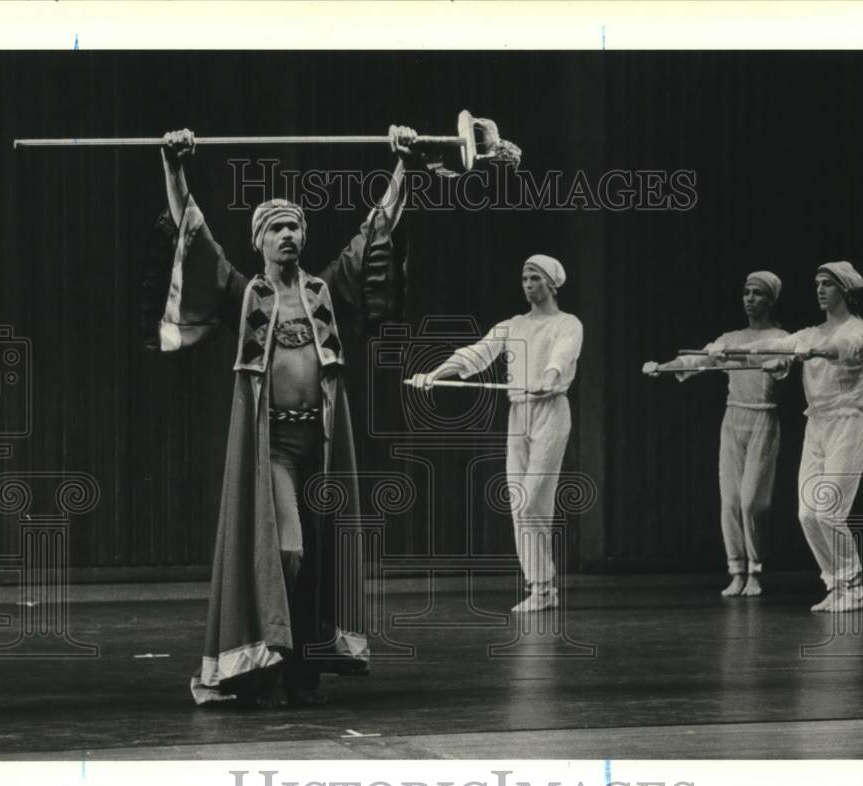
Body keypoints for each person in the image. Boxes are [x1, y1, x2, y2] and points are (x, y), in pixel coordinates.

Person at [151, 125, 422, 707]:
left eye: (296, 225)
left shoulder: (324, 292)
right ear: (259, 240)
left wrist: (402, 165)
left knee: (322, 554)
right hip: (271, 447)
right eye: (277, 227)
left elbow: (375, 234)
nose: (289, 235)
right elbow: (194, 240)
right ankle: (265, 660)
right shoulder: (246, 294)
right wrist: (174, 168)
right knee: (290, 550)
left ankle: (300, 669)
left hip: (319, 446)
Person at [409, 256, 583, 613]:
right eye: (524, 278)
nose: (528, 284)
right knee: (519, 500)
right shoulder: (512, 325)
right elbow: (477, 353)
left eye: (535, 278)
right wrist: (436, 373)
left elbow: (563, 357)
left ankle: (544, 586)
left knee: (535, 499)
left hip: (551, 411)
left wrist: (548, 380)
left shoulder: (568, 323)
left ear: (552, 283)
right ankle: (540, 587)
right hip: (518, 412)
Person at [643, 271, 788, 597]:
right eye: (746, 292)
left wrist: (773, 364)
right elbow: (697, 359)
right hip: (733, 418)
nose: (750, 299)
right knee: (731, 500)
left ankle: (756, 571)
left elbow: (783, 363)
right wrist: (662, 367)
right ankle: (736, 570)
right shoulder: (730, 337)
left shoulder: (782, 338)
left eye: (758, 293)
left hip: (763, 420)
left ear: (771, 300)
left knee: (752, 501)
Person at [747, 262, 863, 613]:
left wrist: (812, 352)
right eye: (816, 284)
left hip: (848, 424)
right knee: (807, 514)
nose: (819, 290)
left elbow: (845, 349)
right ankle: (835, 585)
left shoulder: (859, 330)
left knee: (830, 511)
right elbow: (778, 343)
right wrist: (732, 352)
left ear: (844, 291)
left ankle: (853, 586)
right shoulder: (811, 333)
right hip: (816, 425)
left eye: (827, 285)